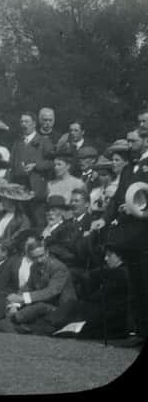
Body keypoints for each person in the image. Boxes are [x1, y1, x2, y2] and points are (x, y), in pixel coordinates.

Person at [92, 126, 148, 347]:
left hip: (144, 233)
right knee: (136, 285)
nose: (129, 145)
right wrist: (104, 219)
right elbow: (115, 200)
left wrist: (135, 207)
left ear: (145, 141)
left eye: (133, 141)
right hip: (130, 237)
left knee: (145, 283)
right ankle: (141, 332)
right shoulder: (128, 169)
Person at [15, 244, 129, 340]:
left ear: (119, 257)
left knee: (69, 308)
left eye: (109, 256)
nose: (106, 258)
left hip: (107, 310)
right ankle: (29, 325)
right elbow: (29, 286)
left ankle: (34, 328)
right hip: (93, 305)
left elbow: (52, 291)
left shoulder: (121, 273)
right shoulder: (113, 271)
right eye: (35, 257)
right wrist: (16, 300)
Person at [0, 234, 77, 334]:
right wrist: (14, 304)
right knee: (15, 303)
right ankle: (14, 325)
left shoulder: (59, 268)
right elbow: (27, 287)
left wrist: (22, 298)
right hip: (44, 304)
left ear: (47, 253)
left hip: (62, 309)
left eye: (41, 256)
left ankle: (0, 325)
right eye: (35, 257)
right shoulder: (34, 267)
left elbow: (51, 291)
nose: (39, 260)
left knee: (39, 306)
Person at [10, 112, 54, 228]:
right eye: (22, 122)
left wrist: (36, 165)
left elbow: (52, 163)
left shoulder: (44, 141)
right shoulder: (17, 143)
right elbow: (12, 166)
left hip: (36, 190)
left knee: (38, 222)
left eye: (27, 122)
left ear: (34, 124)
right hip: (19, 191)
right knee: (22, 223)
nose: (23, 124)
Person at [0, 182, 32, 248]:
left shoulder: (23, 219)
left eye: (4, 199)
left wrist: (1, 247)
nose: (2, 201)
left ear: (12, 201)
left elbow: (18, 240)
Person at [41, 195, 80, 268]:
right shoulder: (43, 230)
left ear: (62, 212)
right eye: (48, 210)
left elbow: (68, 254)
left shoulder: (67, 229)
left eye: (54, 210)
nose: (50, 213)